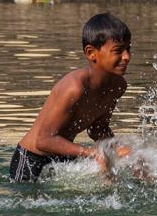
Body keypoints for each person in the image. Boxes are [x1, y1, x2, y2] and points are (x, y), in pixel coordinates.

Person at [9, 13, 132, 182]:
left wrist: (121, 151)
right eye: (118, 51)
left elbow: (98, 129)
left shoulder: (118, 86)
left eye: (128, 49)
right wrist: (92, 154)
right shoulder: (74, 88)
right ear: (91, 53)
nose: (127, 57)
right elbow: (43, 141)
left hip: (62, 157)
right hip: (31, 160)